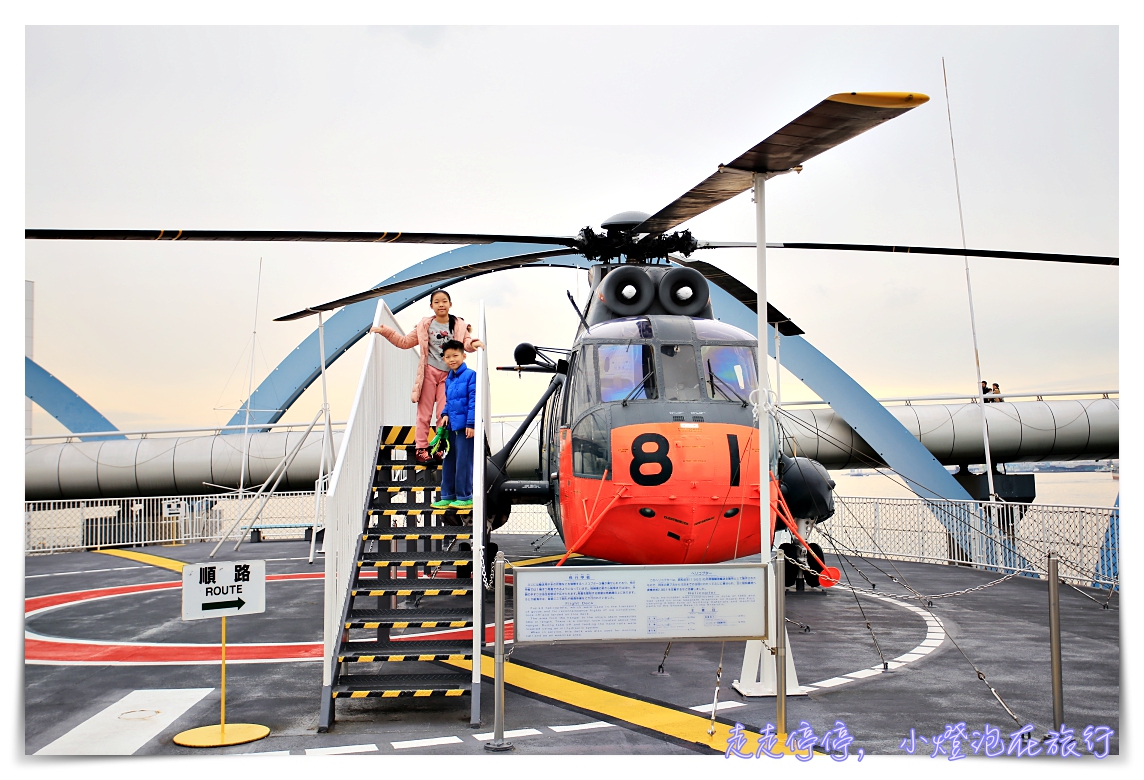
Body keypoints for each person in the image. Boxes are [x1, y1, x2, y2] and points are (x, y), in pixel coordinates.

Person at [370, 289, 483, 463]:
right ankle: (421, 448)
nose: (441, 304)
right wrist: (384, 330)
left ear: (450, 304)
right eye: (436, 302)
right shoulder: (425, 325)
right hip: (429, 372)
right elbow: (405, 342)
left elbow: (465, 343)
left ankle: (439, 447)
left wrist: (474, 343)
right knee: (424, 413)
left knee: (443, 414)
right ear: (431, 306)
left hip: (449, 376)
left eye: (444, 301)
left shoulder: (459, 325)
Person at [432, 340, 477, 509]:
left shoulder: (471, 375)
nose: (452, 359)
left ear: (464, 356)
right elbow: (449, 402)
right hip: (451, 426)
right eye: (448, 357)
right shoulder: (449, 379)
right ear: (444, 359)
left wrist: (471, 424)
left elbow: (473, 401)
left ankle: (465, 496)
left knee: (463, 462)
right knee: (448, 461)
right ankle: (448, 495)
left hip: (465, 427)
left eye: (455, 356)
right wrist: (444, 414)